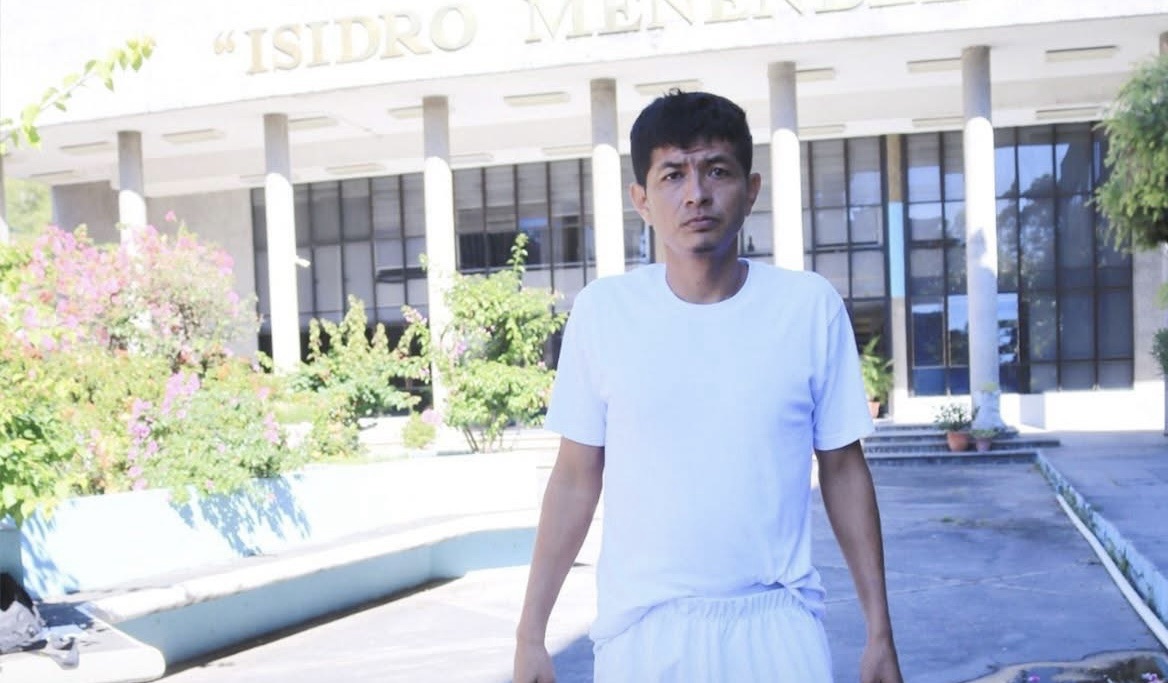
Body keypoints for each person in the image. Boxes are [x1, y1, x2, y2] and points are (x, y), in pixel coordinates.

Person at [513, 90, 903, 683]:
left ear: (751, 189)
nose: (696, 193)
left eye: (717, 170)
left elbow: (844, 470)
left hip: (778, 626)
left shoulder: (806, 307)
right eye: (673, 174)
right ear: (641, 200)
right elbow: (574, 477)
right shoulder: (604, 312)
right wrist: (530, 635)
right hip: (643, 634)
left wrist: (879, 634)